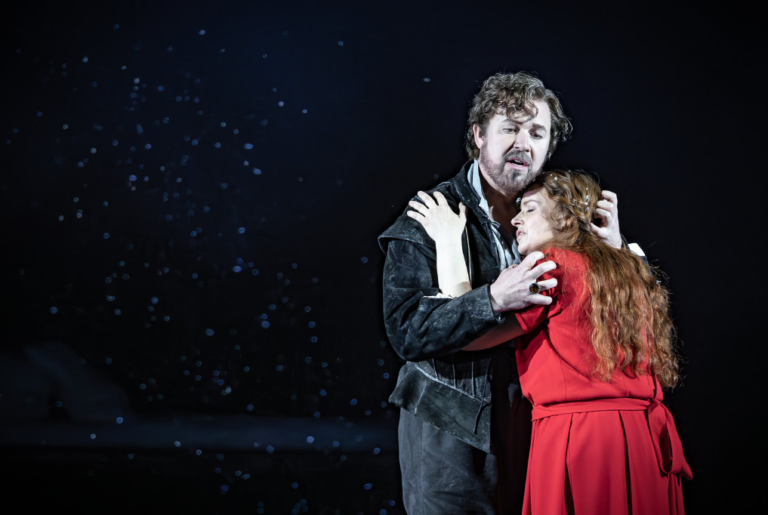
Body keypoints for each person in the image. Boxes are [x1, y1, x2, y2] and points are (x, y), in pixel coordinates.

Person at [379, 72, 626, 514]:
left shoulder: (559, 213)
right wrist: (491, 299)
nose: (523, 143)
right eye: (510, 128)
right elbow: (407, 332)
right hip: (450, 434)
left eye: (537, 132)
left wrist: (618, 251)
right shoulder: (428, 217)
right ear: (478, 136)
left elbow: (615, 305)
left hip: (540, 427)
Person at [407, 169, 692, 515]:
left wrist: (449, 239)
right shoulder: (631, 272)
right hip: (643, 442)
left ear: (567, 219)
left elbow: (470, 332)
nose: (516, 220)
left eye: (529, 209)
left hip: (582, 440)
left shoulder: (553, 267)